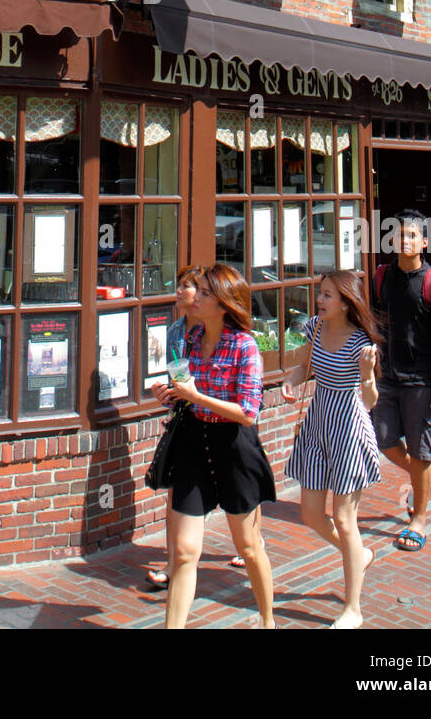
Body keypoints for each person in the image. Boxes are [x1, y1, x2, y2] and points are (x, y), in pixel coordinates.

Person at [154, 263, 276, 629]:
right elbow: (183, 390)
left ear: (224, 304)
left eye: (205, 293)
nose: (195, 297)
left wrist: (197, 395)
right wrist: (170, 394)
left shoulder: (245, 346)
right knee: (184, 550)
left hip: (233, 446)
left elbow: (248, 412)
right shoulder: (189, 339)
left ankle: (268, 620)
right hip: (193, 441)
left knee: (249, 547)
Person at [282, 272, 381, 629]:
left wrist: (367, 375)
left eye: (326, 295)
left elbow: (369, 401)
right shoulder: (316, 328)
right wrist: (289, 381)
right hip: (318, 422)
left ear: (345, 302)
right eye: (319, 294)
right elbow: (305, 365)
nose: (319, 301)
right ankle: (358, 553)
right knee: (310, 513)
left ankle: (353, 608)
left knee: (344, 518)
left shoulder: (361, 343)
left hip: (348, 427)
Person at [371, 209, 431, 553]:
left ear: (423, 241)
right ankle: (421, 476)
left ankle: (418, 519)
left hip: (423, 379)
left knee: (422, 452)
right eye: (398, 235)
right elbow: (376, 320)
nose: (403, 241)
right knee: (383, 438)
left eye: (411, 236)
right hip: (389, 377)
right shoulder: (381, 277)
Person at [145, 264, 206, 590]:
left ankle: (252, 548)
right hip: (187, 422)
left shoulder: (217, 331)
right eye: (180, 284)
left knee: (238, 496)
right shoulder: (173, 333)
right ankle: (171, 565)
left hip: (219, 421)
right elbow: (176, 383)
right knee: (175, 496)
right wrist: (165, 396)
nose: (180, 290)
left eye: (188, 286)